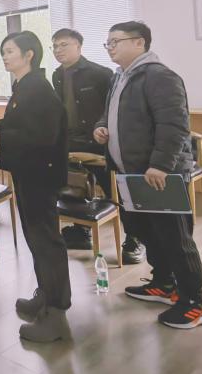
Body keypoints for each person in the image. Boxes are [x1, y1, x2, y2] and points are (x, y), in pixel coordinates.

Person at [94, 21, 202, 329]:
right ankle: (163, 283)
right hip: (131, 173)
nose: (110, 47)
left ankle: (194, 303)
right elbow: (110, 114)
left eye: (116, 41)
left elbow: (174, 125)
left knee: (175, 238)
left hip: (158, 174)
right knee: (146, 231)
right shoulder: (120, 77)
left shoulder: (160, 77)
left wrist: (160, 164)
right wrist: (101, 127)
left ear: (140, 42)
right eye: (108, 43)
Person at [0, 31, 71, 343]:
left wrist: (3, 137)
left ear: (29, 55)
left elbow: (43, 135)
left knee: (46, 242)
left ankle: (57, 314)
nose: (5, 56)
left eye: (10, 51)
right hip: (29, 172)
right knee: (36, 238)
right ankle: (45, 295)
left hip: (40, 174)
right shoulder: (24, 86)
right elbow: (24, 123)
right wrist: (0, 127)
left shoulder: (37, 88)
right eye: (3, 51)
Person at [51, 28, 145, 265]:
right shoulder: (57, 75)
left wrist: (104, 131)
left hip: (98, 142)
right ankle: (82, 231)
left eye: (64, 45)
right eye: (55, 46)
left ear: (78, 46)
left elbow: (113, 107)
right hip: (70, 142)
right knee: (75, 189)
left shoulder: (100, 74)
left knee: (117, 191)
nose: (58, 50)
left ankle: (135, 238)